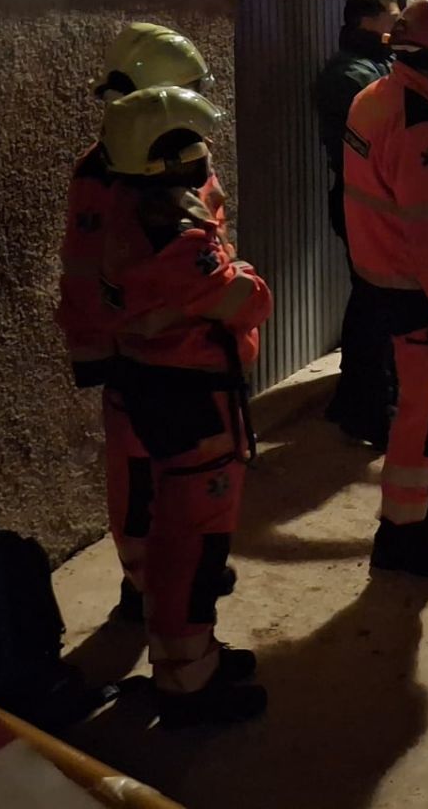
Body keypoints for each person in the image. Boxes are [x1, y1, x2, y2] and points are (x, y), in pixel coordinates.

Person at [96, 86, 271, 727]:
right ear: (163, 157)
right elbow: (247, 300)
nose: (204, 157)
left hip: (156, 390)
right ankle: (189, 684)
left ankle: (189, 661)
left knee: (176, 537)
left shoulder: (121, 209)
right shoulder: (176, 239)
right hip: (194, 401)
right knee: (195, 548)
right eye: (193, 146)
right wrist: (243, 274)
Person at [56, 23, 235, 626]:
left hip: (192, 346)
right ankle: (145, 584)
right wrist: (96, 351)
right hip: (142, 354)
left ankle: (182, 570)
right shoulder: (108, 175)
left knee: (184, 480)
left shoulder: (169, 154)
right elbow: (86, 273)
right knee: (140, 478)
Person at [343, 0, 428, 580]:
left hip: (382, 277)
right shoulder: (419, 126)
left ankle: (412, 506)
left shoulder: (375, 98)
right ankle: (401, 534)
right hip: (419, 291)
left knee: (416, 405)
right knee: (424, 409)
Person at [313, 0, 399, 447]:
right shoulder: (347, 76)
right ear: (369, 22)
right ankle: (367, 409)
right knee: (375, 304)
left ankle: (357, 399)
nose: (396, 27)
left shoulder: (376, 66)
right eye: (392, 18)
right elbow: (388, 124)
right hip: (360, 202)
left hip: (378, 202)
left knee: (374, 301)